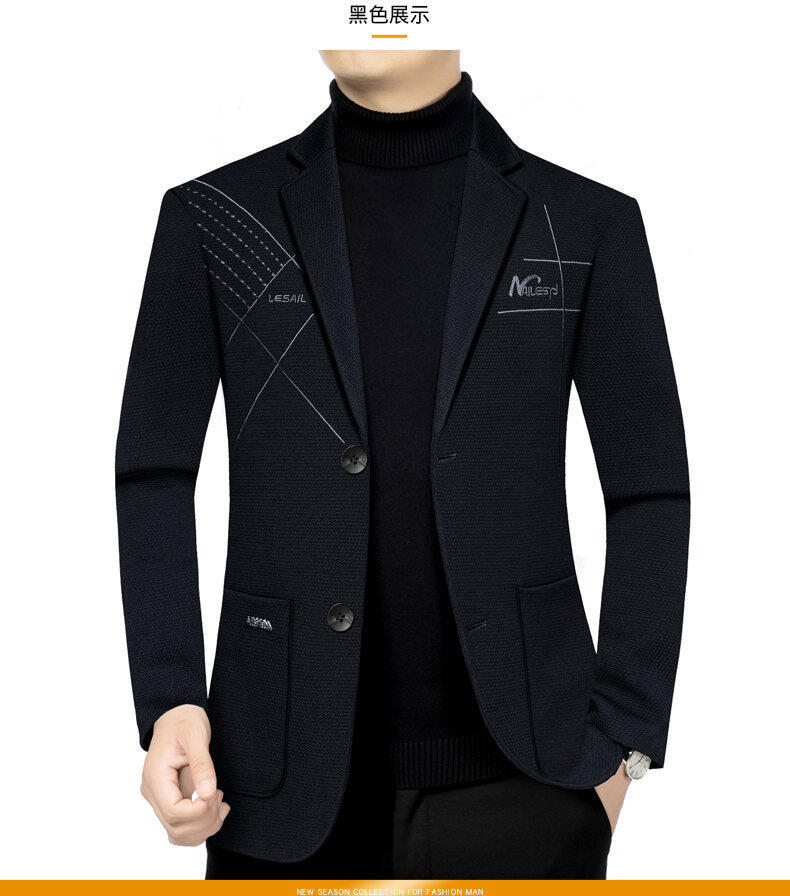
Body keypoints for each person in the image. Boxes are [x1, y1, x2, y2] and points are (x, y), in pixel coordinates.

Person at [116, 49, 689, 879]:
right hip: (276, 784)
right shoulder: (217, 217)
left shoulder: (582, 220)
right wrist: (171, 698)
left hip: (532, 783)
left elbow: (649, 489)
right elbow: (155, 473)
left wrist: (625, 746)